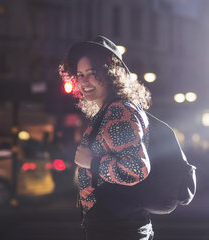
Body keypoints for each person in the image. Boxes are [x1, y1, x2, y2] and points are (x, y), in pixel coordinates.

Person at [59, 35, 154, 239]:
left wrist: (91, 162)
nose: (84, 81)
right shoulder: (111, 109)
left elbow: (137, 168)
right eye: (80, 75)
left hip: (118, 229)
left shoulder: (119, 110)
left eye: (92, 73)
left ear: (110, 74)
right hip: (115, 225)